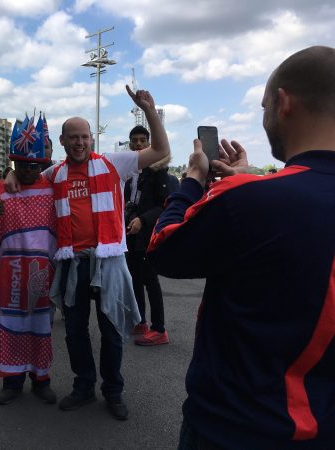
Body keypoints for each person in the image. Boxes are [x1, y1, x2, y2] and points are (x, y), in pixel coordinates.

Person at [147, 46, 335, 449]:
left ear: (283, 104)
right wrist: (249, 179)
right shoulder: (255, 193)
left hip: (237, 425)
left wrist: (194, 182)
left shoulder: (248, 198)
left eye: (264, 105)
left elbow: (164, 250)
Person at [5, 88, 170, 420]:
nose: (80, 142)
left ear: (91, 139)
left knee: (110, 330)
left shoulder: (114, 162)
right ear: (63, 142)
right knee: (75, 330)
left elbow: (162, 150)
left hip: (109, 260)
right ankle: (83, 386)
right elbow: (26, 176)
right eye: (73, 137)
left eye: (85, 137)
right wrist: (11, 172)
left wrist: (149, 111)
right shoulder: (54, 174)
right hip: (72, 263)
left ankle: (113, 390)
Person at [0, 115, 57, 406]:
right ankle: (12, 381)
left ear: (41, 164)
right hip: (10, 275)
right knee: (10, 326)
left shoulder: (52, 189)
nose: (27, 170)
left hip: (41, 275)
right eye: (22, 165)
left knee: (41, 327)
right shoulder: (0, 192)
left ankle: (41, 379)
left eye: (33, 165)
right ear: (13, 164)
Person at [124, 125, 171, 345]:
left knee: (151, 282)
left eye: (143, 140)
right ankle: (140, 321)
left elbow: (166, 205)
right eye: (135, 140)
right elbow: (132, 202)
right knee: (135, 280)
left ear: (149, 143)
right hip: (132, 236)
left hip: (149, 236)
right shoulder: (132, 171)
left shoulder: (158, 171)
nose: (139, 144)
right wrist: (131, 214)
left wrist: (142, 220)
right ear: (130, 143)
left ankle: (159, 329)